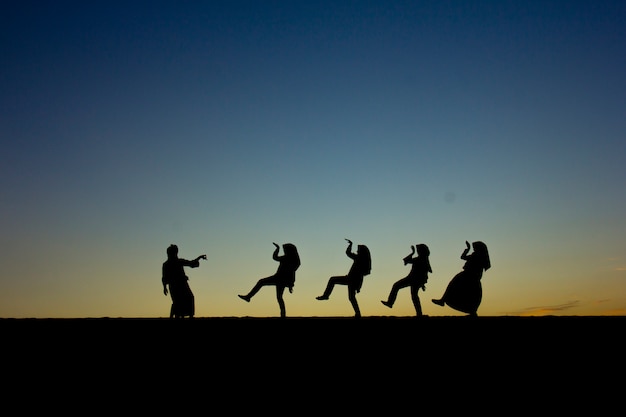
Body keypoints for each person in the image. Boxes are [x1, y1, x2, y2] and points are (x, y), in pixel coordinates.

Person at [238, 242, 301, 318]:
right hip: (278, 278)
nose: (284, 251)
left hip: (279, 279)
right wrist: (277, 249)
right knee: (279, 297)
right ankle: (283, 315)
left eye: (285, 249)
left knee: (263, 283)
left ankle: (248, 297)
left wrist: (290, 284)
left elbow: (290, 271)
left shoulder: (291, 260)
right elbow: (275, 258)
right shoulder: (287, 259)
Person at [431, 240, 491, 316]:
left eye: (474, 247)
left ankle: (471, 311)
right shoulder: (475, 255)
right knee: (456, 288)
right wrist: (467, 250)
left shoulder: (478, 256)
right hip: (468, 275)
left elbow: (466, 259)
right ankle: (443, 300)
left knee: (470, 294)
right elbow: (463, 257)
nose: (474, 249)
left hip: (470, 276)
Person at [316, 239, 371, 318]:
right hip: (351, 279)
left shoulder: (360, 260)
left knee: (333, 280)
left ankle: (326, 296)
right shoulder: (359, 259)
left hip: (351, 280)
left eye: (358, 250)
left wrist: (358, 286)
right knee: (351, 297)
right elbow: (348, 253)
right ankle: (358, 314)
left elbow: (361, 275)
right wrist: (350, 245)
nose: (357, 252)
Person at [381, 243, 432, 317]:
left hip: (413, 279)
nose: (418, 252)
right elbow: (406, 261)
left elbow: (406, 260)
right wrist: (412, 253)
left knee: (398, 286)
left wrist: (412, 253)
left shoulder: (420, 259)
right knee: (413, 295)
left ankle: (390, 303)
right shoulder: (422, 259)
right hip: (413, 279)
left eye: (418, 250)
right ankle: (419, 313)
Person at [162, 244, 206, 319]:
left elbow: (191, 263)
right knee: (180, 301)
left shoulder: (171, 263)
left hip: (180, 285)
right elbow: (164, 277)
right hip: (177, 285)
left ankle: (186, 316)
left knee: (184, 300)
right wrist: (164, 287)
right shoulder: (169, 264)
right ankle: (179, 316)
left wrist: (199, 258)